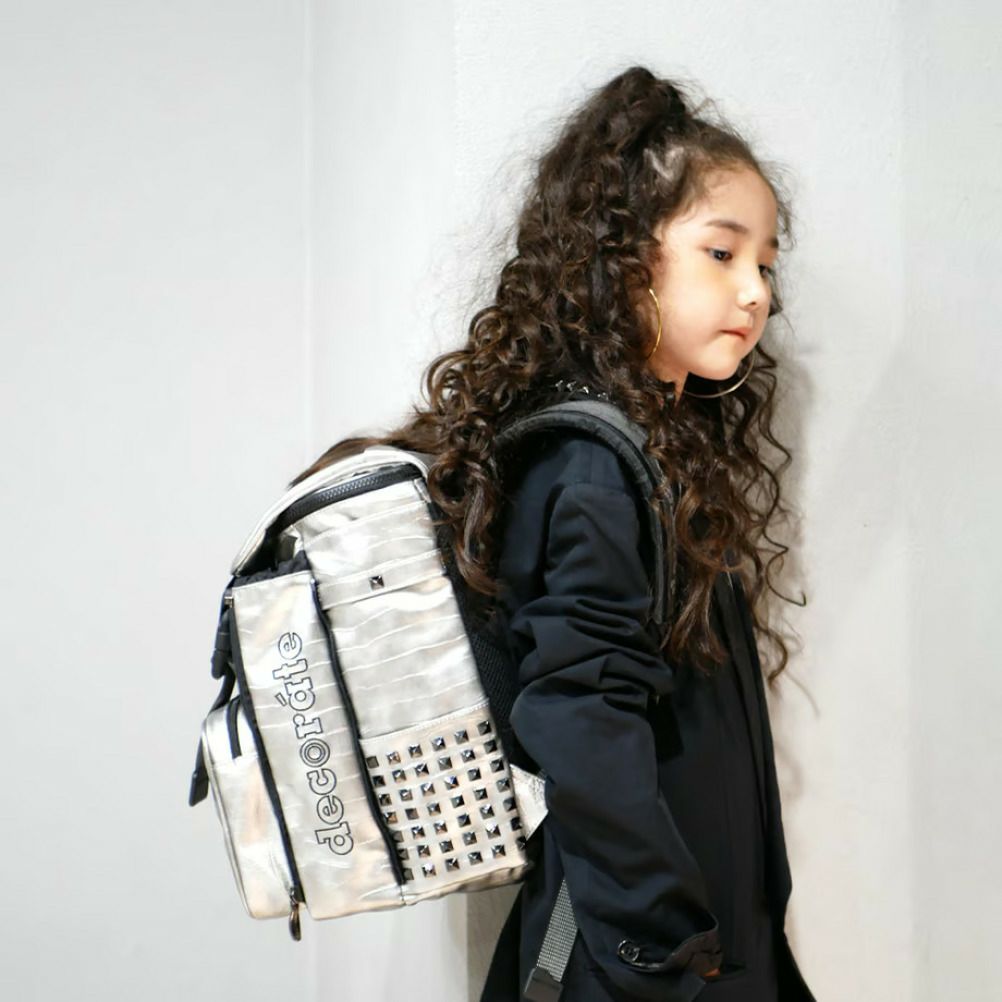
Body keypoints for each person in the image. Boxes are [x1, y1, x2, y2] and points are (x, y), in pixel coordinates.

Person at [292, 64, 816, 1001]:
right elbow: (581, 714)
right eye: (721, 253)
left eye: (766, 264)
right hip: (641, 962)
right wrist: (663, 943)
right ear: (624, 257)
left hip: (699, 944)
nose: (754, 293)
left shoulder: (652, 451)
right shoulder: (590, 463)